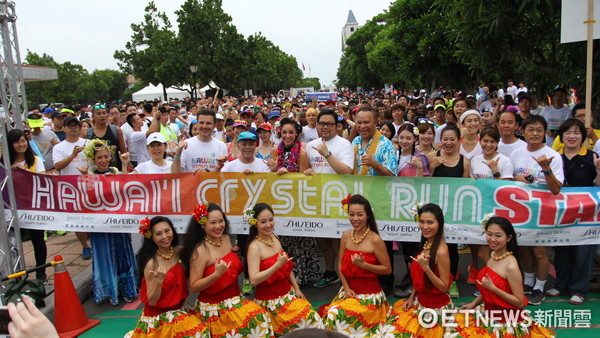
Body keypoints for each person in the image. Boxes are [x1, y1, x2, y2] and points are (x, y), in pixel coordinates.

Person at [181, 203, 273, 337]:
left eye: (221, 221)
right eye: (213, 222)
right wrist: (216, 274)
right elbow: (194, 286)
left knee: (261, 320)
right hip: (214, 308)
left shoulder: (226, 239)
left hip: (236, 299)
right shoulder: (200, 251)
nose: (218, 226)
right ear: (202, 225)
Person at [458, 216, 556, 337]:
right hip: (490, 315)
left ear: (509, 238)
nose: (492, 239)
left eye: (498, 236)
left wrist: (493, 288)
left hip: (506, 323)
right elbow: (488, 289)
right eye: (489, 234)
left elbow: (519, 302)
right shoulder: (493, 255)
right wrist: (474, 303)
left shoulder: (511, 266)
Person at [322, 194, 403, 337]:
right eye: (352, 214)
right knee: (333, 316)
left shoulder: (375, 240)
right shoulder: (346, 236)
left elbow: (387, 269)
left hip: (370, 295)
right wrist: (346, 289)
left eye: (360, 214)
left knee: (352, 319)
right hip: (348, 291)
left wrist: (364, 265)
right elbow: (340, 264)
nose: (355, 219)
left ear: (367, 216)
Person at [245, 203, 323, 336]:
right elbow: (253, 280)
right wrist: (276, 265)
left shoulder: (274, 238)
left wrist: (297, 289)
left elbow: (286, 267)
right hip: (269, 302)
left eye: (271, 219)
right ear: (255, 223)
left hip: (288, 295)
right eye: (263, 222)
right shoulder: (254, 247)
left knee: (313, 319)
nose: (268, 224)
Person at [126, 216, 210, 337]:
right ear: (152, 237)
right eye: (158, 234)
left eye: (167, 231)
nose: (165, 237)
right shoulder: (151, 264)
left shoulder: (177, 251)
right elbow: (152, 301)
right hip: (160, 317)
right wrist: (159, 281)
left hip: (180, 310)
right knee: (199, 333)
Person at [546, 118, 600, 305]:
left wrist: (599, 171)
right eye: (568, 133)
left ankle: (579, 289)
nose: (572, 136)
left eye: (576, 133)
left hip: (586, 215)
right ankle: (561, 284)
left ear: (583, 137)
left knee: (583, 251)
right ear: (562, 136)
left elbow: (597, 186)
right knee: (561, 249)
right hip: (561, 213)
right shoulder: (553, 157)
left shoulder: (591, 157)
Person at [511, 115, 564, 305]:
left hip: (543, 210)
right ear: (523, 131)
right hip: (520, 211)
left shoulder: (553, 155)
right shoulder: (517, 152)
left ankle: (540, 287)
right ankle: (528, 282)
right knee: (524, 249)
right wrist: (518, 180)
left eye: (539, 130)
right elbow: (510, 178)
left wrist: (546, 169)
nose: (535, 133)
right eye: (531, 129)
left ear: (544, 133)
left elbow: (556, 189)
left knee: (540, 251)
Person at [81, 139, 138, 305]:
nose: (103, 160)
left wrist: (124, 165)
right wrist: (86, 177)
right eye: (99, 157)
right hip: (100, 227)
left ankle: (127, 289)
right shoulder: (90, 176)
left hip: (119, 224)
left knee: (122, 254)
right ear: (93, 159)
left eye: (106, 156)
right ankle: (109, 292)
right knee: (105, 256)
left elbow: (127, 187)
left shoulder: (115, 172)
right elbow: (86, 199)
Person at [304, 109, 354, 289]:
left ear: (337, 126)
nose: (325, 127)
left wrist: (327, 154)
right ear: (316, 125)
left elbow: (347, 171)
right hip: (317, 201)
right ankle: (330, 272)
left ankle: (344, 276)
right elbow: (305, 170)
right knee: (323, 241)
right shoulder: (310, 145)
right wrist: (307, 171)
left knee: (338, 240)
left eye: (329, 124)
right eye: (322, 123)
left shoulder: (344, 144)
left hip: (338, 200)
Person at [391, 203, 455, 337]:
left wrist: (426, 268)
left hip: (436, 309)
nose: (425, 227)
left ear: (440, 223)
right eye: (422, 222)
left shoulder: (441, 251)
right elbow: (420, 278)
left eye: (430, 222)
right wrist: (412, 297)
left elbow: (444, 287)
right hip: (420, 303)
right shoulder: (427, 242)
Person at [427, 124, 471, 298]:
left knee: (451, 247)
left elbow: (466, 188)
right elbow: (422, 180)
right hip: (433, 210)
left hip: (453, 210)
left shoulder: (464, 161)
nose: (448, 142)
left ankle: (450, 281)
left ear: (458, 140)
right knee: (429, 244)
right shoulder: (432, 156)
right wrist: (432, 167)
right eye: (445, 139)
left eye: (452, 139)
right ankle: (429, 278)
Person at [7, 129, 47, 281]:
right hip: (12, 209)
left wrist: (25, 172)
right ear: (10, 145)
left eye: (23, 140)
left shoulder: (35, 160)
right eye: (17, 141)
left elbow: (43, 181)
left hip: (33, 207)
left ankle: (41, 272)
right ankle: (16, 273)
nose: (21, 144)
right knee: (13, 241)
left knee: (38, 240)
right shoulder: (4, 163)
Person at [52, 116, 92, 259]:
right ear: (64, 129)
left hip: (89, 186)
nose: (73, 128)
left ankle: (93, 240)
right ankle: (85, 246)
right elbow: (58, 166)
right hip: (70, 188)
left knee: (93, 217)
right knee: (76, 221)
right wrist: (73, 155)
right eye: (70, 126)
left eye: (76, 125)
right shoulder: (59, 147)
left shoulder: (88, 143)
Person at [171, 108, 227, 173]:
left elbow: (224, 175)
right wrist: (178, 153)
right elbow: (175, 174)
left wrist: (207, 174)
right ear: (197, 124)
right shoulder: (186, 144)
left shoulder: (221, 146)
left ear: (214, 125)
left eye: (208, 123)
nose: (204, 126)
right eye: (201, 123)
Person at [87, 104, 128, 170]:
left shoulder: (116, 130)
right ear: (93, 116)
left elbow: (124, 151)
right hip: (96, 173)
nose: (102, 116)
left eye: (104, 113)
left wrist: (127, 166)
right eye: (98, 114)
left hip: (116, 172)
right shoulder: (88, 133)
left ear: (107, 115)